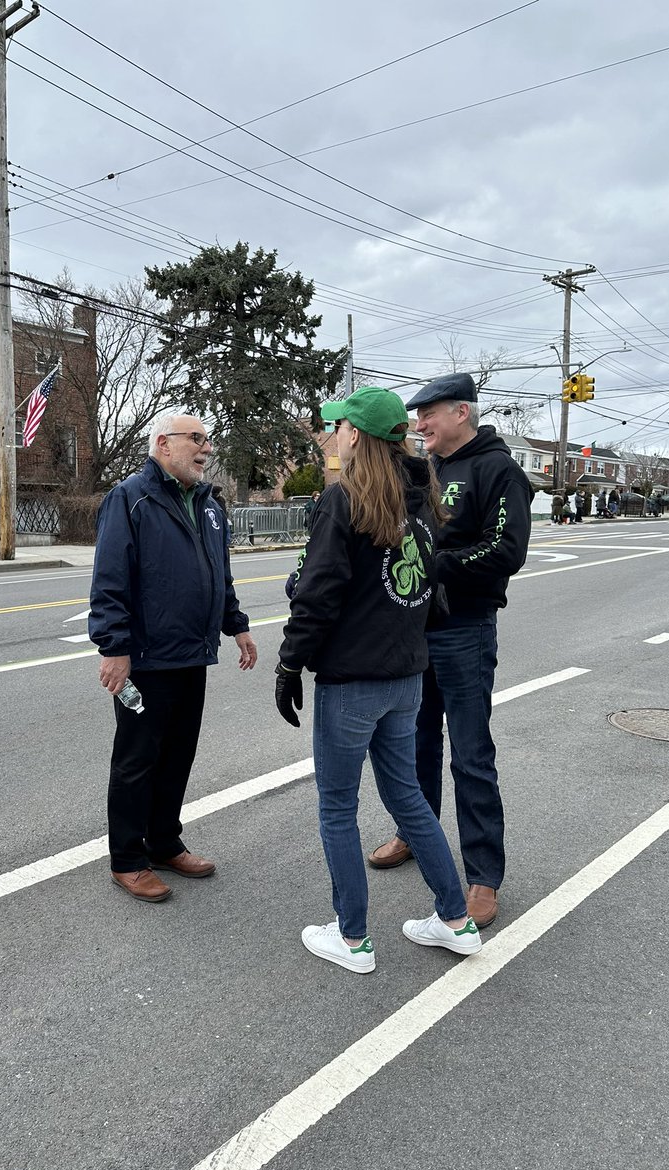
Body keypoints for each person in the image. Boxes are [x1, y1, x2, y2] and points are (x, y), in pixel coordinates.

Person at [274, 386, 481, 973]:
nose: (335, 433)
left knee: (337, 806)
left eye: (340, 427)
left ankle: (353, 936)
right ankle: (454, 918)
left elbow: (317, 594)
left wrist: (291, 663)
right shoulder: (421, 500)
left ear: (357, 436)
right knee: (407, 797)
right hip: (406, 676)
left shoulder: (344, 502)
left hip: (353, 680)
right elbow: (427, 589)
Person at [369, 373, 533, 931]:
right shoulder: (427, 469)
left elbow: (507, 549)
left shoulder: (497, 469)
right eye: (415, 418)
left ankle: (483, 876)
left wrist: (439, 563)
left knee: (470, 754)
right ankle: (415, 833)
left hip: (466, 629)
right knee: (415, 744)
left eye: (428, 415)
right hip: (417, 630)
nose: (419, 425)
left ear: (461, 413)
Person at [88, 412, 258, 903]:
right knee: (137, 760)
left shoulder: (207, 504)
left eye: (209, 440)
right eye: (197, 439)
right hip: (145, 660)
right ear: (163, 444)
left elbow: (217, 573)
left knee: (178, 754)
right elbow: (109, 580)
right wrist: (115, 648)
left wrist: (237, 624)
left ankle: (163, 842)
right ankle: (127, 859)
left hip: (192, 655)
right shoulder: (131, 499)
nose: (207, 449)